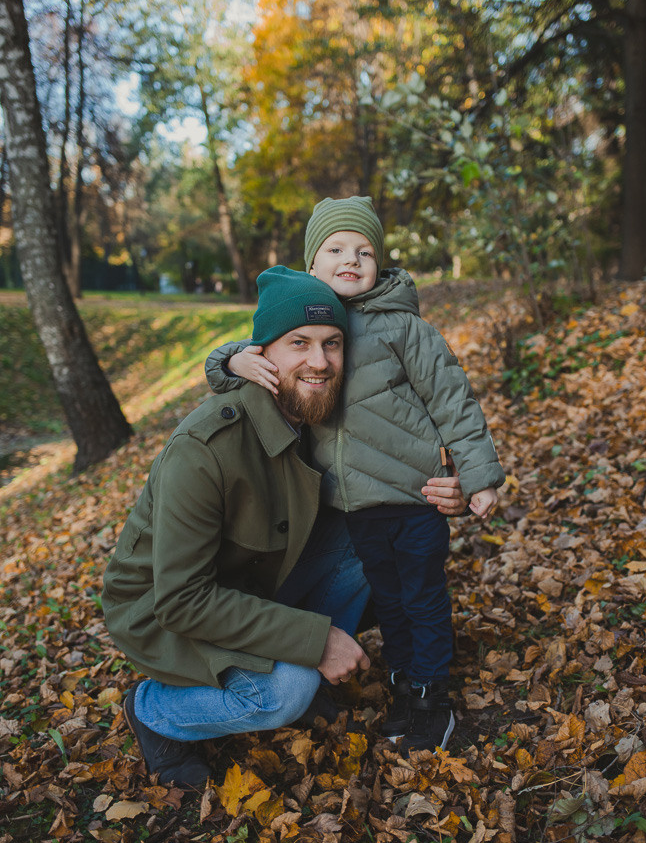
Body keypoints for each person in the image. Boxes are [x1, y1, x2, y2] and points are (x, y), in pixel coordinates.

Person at [102, 266, 464, 790]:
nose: (319, 362)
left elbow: (407, 445)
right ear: (261, 355)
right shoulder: (204, 451)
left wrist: (443, 488)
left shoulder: (320, 414)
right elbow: (180, 599)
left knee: (377, 530)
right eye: (299, 343)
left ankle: (295, 660)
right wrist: (315, 642)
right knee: (284, 692)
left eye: (332, 344)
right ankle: (154, 711)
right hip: (163, 610)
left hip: (253, 580)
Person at [205, 197, 505, 758]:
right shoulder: (311, 318)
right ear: (311, 265)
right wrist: (231, 361)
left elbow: (451, 397)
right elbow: (253, 341)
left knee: (422, 598)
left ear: (381, 262)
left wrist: (478, 475)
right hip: (353, 505)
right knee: (389, 603)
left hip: (414, 496)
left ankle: (431, 699)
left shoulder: (403, 327)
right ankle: (402, 688)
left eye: (365, 251)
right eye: (336, 249)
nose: (352, 259)